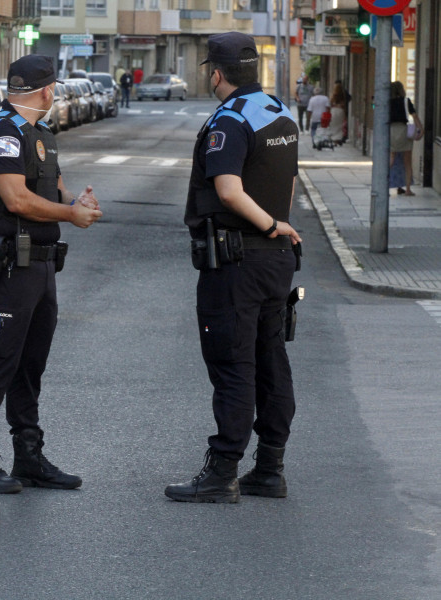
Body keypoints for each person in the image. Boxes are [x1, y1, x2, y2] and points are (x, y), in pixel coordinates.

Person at [167, 32, 302, 504]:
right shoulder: (280, 112)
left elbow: (228, 190)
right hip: (275, 264)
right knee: (270, 361)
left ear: (217, 73)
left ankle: (222, 471)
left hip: (237, 261)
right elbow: (285, 184)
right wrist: (280, 227)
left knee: (232, 364)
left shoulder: (230, 119)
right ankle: (269, 468)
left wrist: (267, 226)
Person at [0, 54, 103, 494]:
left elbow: (54, 189)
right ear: (48, 90)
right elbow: (16, 201)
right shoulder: (0, 132)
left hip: (42, 266)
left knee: (30, 366)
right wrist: (69, 213)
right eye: (54, 90)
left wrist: (79, 202)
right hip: (9, 267)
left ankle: (28, 455)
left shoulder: (41, 134)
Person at [389, 80, 424, 196]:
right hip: (404, 131)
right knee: (407, 162)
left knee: (391, 159)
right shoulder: (406, 101)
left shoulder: (388, 102)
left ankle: (384, 186)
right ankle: (408, 189)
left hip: (392, 131)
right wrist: (420, 129)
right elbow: (414, 116)